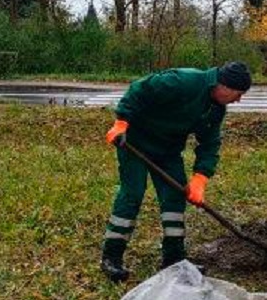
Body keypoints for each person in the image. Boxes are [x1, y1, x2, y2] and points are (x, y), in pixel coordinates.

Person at [100, 61, 253, 282]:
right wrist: (122, 122)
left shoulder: (216, 109)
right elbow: (140, 88)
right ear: (224, 86)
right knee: (132, 193)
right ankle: (111, 257)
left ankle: (174, 259)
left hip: (167, 151)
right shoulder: (185, 81)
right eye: (238, 94)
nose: (238, 100)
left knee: (174, 199)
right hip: (134, 142)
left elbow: (210, 143)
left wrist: (200, 177)